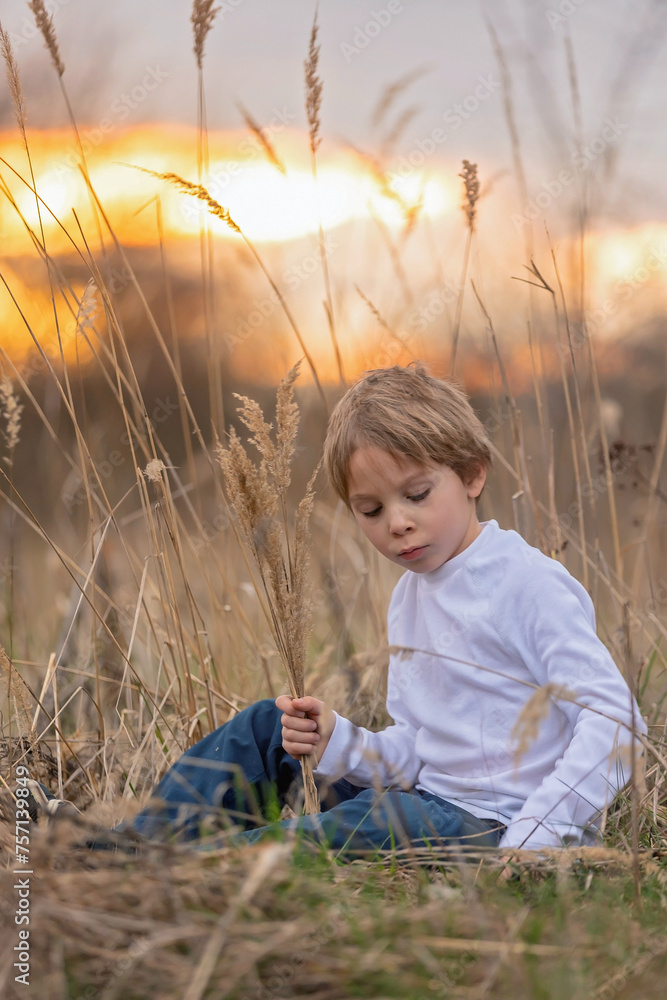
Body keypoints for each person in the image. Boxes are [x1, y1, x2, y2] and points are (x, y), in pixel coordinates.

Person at [129, 363, 645, 857]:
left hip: (495, 826)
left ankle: (170, 871)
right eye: (371, 509)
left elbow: (616, 722)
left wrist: (540, 831)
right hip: (425, 805)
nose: (396, 522)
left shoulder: (527, 583)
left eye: (416, 494)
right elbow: (422, 751)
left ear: (471, 475)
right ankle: (123, 848)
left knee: (359, 826)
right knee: (271, 726)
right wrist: (342, 743)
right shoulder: (411, 596)